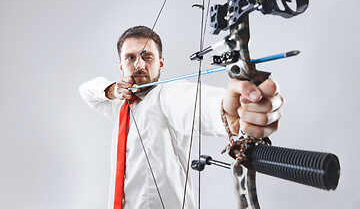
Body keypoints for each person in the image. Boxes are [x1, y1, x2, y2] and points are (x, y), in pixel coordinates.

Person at [79, 26, 284, 209]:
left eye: (147, 56)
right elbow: (86, 90)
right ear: (121, 65)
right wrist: (111, 90)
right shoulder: (119, 106)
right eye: (131, 57)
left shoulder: (165, 96)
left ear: (161, 63)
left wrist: (228, 111)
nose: (139, 64)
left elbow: (191, 103)